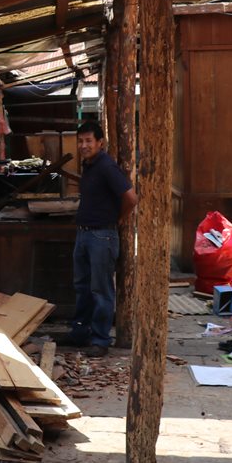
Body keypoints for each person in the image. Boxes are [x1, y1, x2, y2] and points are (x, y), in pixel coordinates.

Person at [62, 121, 137, 358]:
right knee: (82, 286)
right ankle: (80, 334)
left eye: (88, 141)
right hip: (84, 233)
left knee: (101, 289)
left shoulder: (106, 166)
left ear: (100, 143)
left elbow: (131, 198)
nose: (84, 145)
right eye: (81, 141)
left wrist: (119, 219)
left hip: (102, 235)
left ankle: (101, 339)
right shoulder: (89, 165)